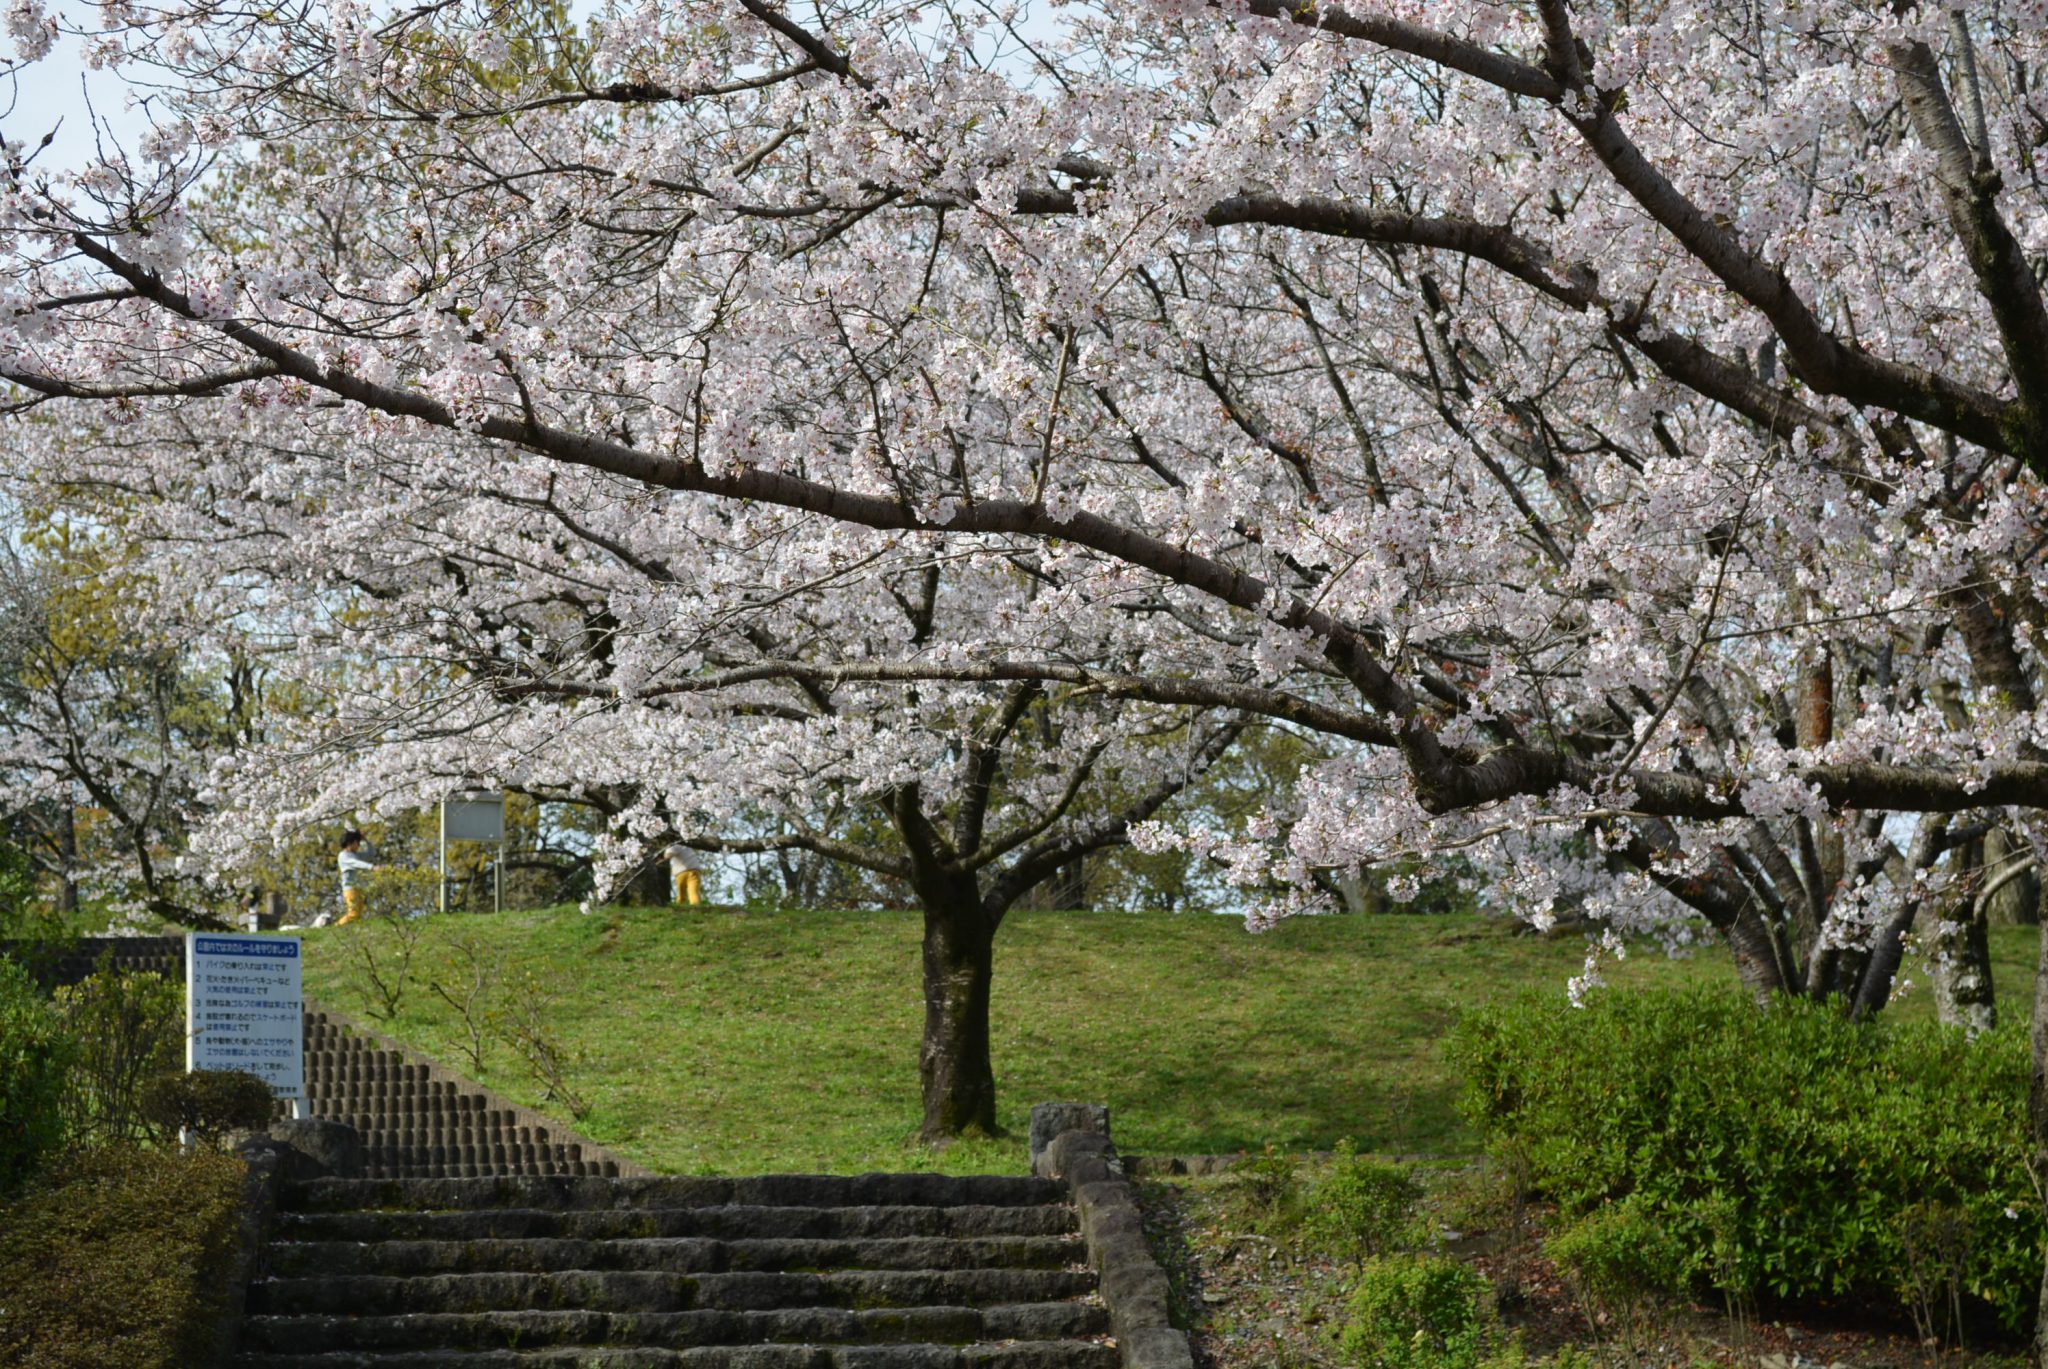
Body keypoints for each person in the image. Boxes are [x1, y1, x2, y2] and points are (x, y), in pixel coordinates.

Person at [336, 830, 377, 925]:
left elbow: (371, 854)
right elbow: (356, 863)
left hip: (359, 888)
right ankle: (336, 927)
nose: (359, 845)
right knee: (353, 914)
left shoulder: (355, 855)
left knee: (358, 916)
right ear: (351, 843)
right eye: (357, 842)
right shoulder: (343, 855)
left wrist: (366, 840)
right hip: (350, 889)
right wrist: (371, 867)